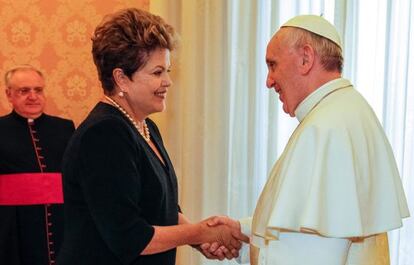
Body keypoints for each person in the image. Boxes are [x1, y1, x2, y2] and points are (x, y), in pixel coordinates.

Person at [207, 15, 410, 265]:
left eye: (273, 65)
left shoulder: (326, 129)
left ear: (305, 58)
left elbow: (306, 254)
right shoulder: (346, 111)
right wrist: (242, 231)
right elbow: (306, 229)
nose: (269, 81)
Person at [56, 8, 248, 265]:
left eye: (168, 70)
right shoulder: (103, 135)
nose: (168, 81)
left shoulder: (145, 126)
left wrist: (198, 240)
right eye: (158, 72)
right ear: (121, 78)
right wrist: (201, 231)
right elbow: (130, 237)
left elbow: (161, 207)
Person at [0, 65, 75, 265]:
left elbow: (75, 175)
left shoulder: (65, 128)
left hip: (62, 221)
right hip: (13, 225)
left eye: (38, 90)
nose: (33, 96)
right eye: (24, 91)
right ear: (9, 95)